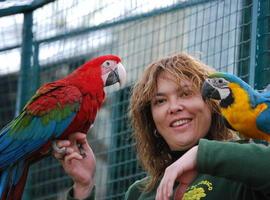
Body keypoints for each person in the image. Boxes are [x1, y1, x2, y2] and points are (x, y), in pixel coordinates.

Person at [53, 53, 270, 200]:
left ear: (213, 106)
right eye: (160, 101)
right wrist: (83, 187)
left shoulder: (244, 171)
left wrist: (200, 154)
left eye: (185, 94)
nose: (173, 107)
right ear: (152, 122)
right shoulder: (140, 193)